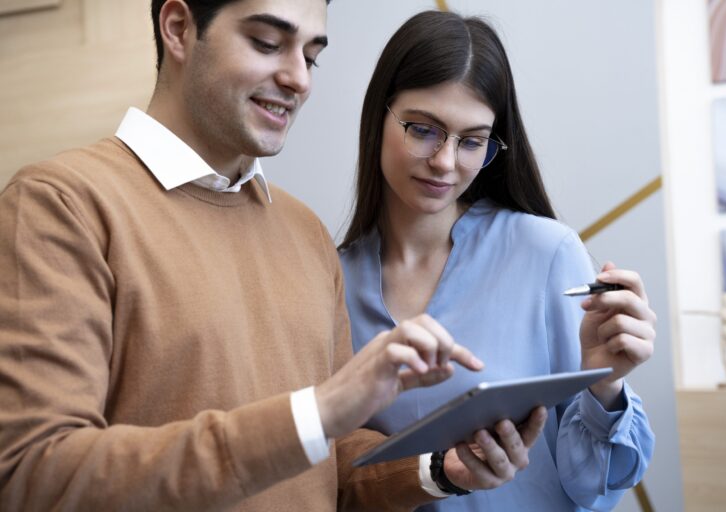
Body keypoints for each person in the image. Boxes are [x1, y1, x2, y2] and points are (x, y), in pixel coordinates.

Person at [0, 1, 546, 510]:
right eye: (266, 43)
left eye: (311, 56)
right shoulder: (61, 206)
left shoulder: (304, 232)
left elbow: (327, 462)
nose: (299, 79)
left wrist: (438, 471)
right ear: (178, 29)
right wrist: (317, 413)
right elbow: (34, 474)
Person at [339, 10, 657, 511]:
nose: (445, 162)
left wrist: (605, 385)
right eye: (423, 129)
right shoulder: (331, 281)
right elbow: (329, 477)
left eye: (472, 141)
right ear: (379, 115)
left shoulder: (547, 253)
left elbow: (596, 486)